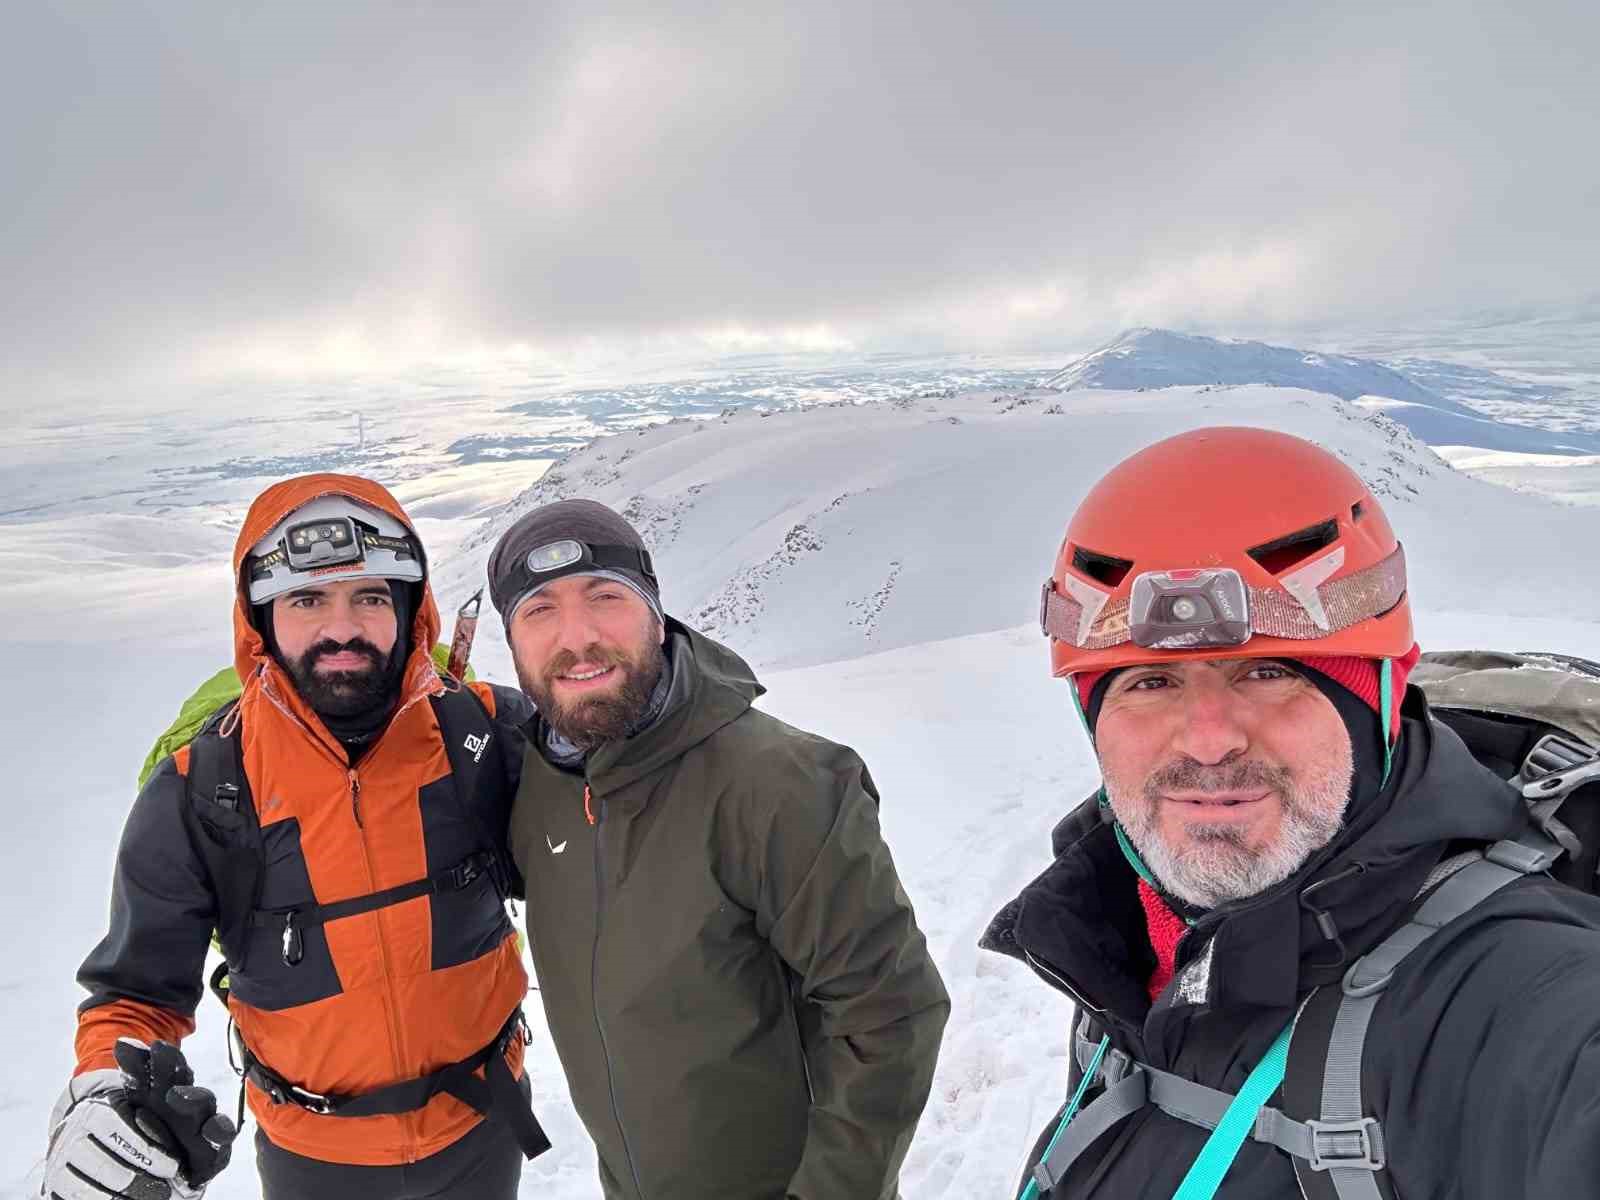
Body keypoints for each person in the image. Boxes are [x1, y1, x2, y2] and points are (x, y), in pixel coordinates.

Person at [981, 426, 1600, 1198]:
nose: (1209, 741)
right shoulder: (1124, 945)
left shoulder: (1522, 1005)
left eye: (1269, 673)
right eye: (1149, 682)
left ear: (1379, 698)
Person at [47, 474, 547, 1200]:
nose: (341, 628)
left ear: (410, 609)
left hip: (483, 1125)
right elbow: (134, 992)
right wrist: (105, 1090)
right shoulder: (202, 788)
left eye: (369, 596)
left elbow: (608, 836)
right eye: (307, 600)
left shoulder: (485, 732)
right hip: (314, 1152)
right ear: (261, 618)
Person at [486, 499, 950, 1200]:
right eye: (539, 611)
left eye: (605, 598)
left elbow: (890, 1012)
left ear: (655, 612)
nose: (576, 637)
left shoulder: (779, 781)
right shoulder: (540, 784)